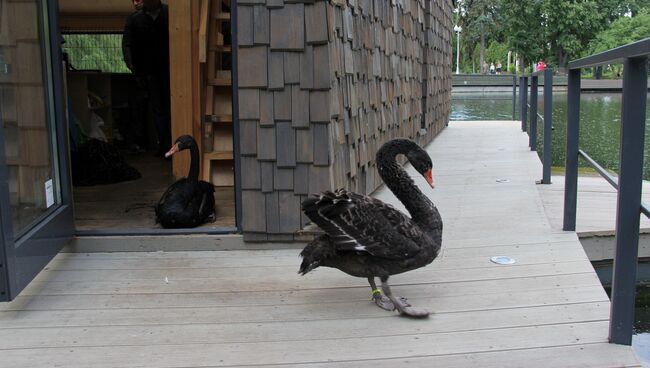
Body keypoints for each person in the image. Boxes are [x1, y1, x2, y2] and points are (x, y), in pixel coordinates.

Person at [122, 0, 171, 157]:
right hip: (147, 73)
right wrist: (133, 67)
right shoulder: (134, 19)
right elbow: (127, 45)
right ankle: (163, 146)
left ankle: (170, 144)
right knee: (157, 110)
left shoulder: (170, 13)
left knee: (169, 109)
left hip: (171, 69)